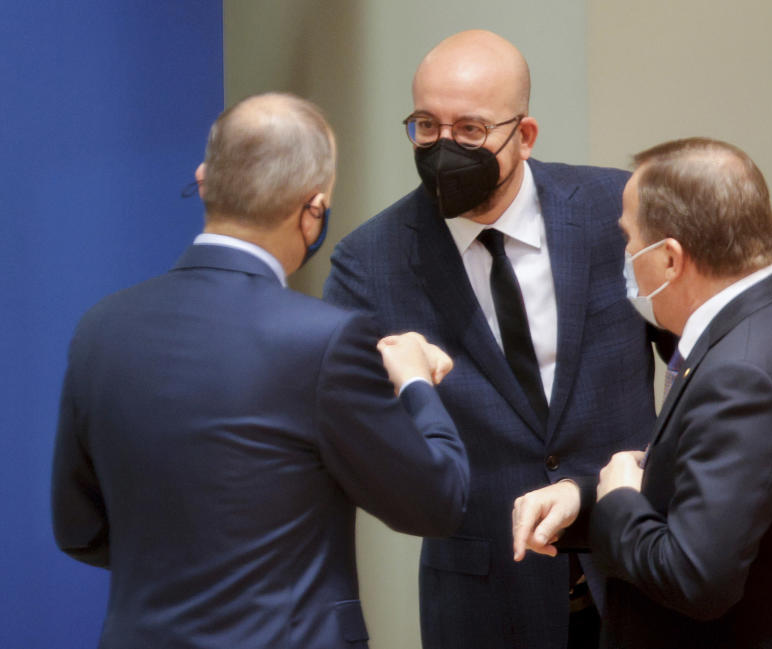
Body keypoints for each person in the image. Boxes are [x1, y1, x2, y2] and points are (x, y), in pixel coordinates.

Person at [51, 92, 469, 649]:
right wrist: (415, 379)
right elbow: (436, 501)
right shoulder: (324, 340)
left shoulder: (99, 330)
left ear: (204, 180)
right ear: (313, 209)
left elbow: (78, 529)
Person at [323, 29, 667, 649]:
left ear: (525, 135)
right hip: (483, 600)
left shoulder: (615, 211)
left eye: (471, 130)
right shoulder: (369, 262)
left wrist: (634, 480)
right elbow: (352, 442)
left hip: (635, 569)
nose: (443, 146)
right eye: (426, 127)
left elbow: (698, 369)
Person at [512, 137, 772, 648]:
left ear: (670, 259)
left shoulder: (742, 376)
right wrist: (586, 497)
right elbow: (716, 485)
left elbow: (694, 577)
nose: (627, 254)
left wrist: (616, 498)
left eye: (629, 239)